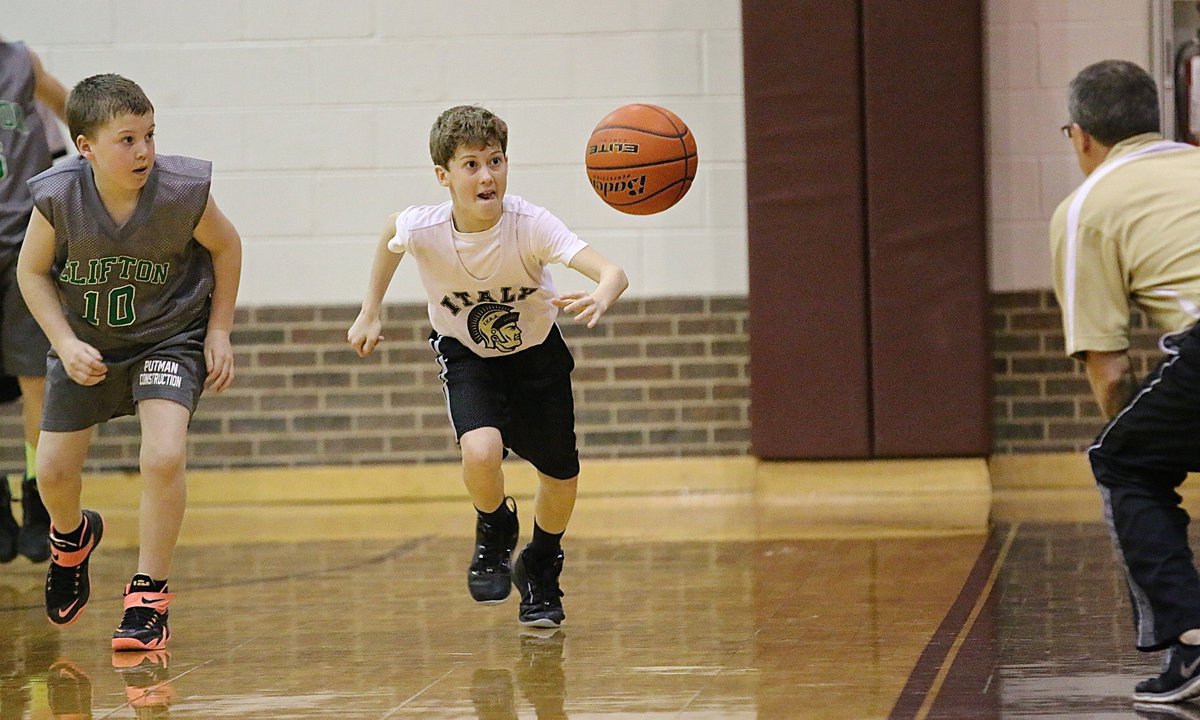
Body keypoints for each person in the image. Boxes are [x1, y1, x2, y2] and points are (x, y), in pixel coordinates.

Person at [347, 105, 628, 628]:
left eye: (495, 161)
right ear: (444, 177)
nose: (486, 175)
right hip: (468, 355)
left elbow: (609, 269)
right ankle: (495, 524)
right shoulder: (425, 227)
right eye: (471, 164)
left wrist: (605, 288)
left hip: (537, 356)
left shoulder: (530, 223)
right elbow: (392, 233)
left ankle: (541, 564)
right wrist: (370, 310)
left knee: (561, 476)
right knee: (481, 449)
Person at [18, 74, 242, 651]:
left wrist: (218, 331)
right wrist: (64, 342)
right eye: (127, 139)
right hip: (89, 342)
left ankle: (149, 597)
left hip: (169, 337)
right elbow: (31, 271)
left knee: (164, 455)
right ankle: (71, 539)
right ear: (86, 146)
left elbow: (227, 245)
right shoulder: (58, 194)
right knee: (54, 473)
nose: (143, 150)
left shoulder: (182, 189)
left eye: (149, 135)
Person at [1051, 59, 1200, 704]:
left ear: (1080, 135)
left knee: (1124, 462)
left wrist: (1132, 430)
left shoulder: (1087, 206)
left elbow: (1107, 364)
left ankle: (1191, 644)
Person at [0, 39, 69, 565]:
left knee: (35, 377)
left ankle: (36, 493)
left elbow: (77, 111)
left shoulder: (21, 61)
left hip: (25, 239)